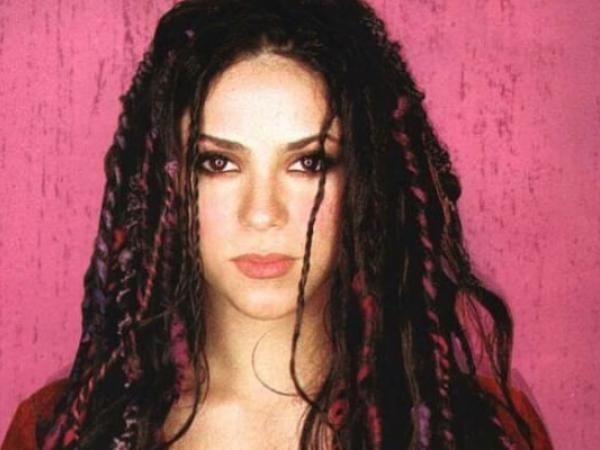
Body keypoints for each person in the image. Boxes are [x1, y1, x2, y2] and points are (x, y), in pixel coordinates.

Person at [1, 0, 553, 449]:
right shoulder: (60, 434)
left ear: (367, 182)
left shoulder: (484, 431)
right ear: (165, 187)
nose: (262, 213)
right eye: (217, 163)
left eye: (309, 162)